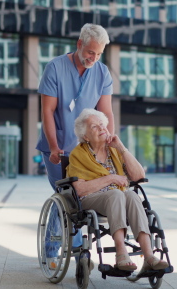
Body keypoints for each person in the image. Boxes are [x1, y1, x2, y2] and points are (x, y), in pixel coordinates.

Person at [36, 24, 115, 270]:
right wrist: (53, 146)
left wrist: (109, 140)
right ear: (79, 44)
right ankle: (57, 249)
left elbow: (106, 111)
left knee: (78, 200)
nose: (94, 58)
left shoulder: (102, 73)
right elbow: (47, 111)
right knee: (67, 197)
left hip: (85, 151)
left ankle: (79, 249)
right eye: (91, 52)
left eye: (99, 54)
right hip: (57, 149)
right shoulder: (55, 68)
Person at [67, 109, 169, 272]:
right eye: (94, 126)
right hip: (91, 199)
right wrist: (111, 178)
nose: (101, 128)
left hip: (119, 198)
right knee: (117, 193)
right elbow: (80, 189)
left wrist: (121, 147)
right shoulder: (78, 154)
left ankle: (149, 255)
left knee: (132, 195)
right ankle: (121, 252)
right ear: (85, 136)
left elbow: (138, 176)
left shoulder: (114, 149)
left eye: (102, 125)